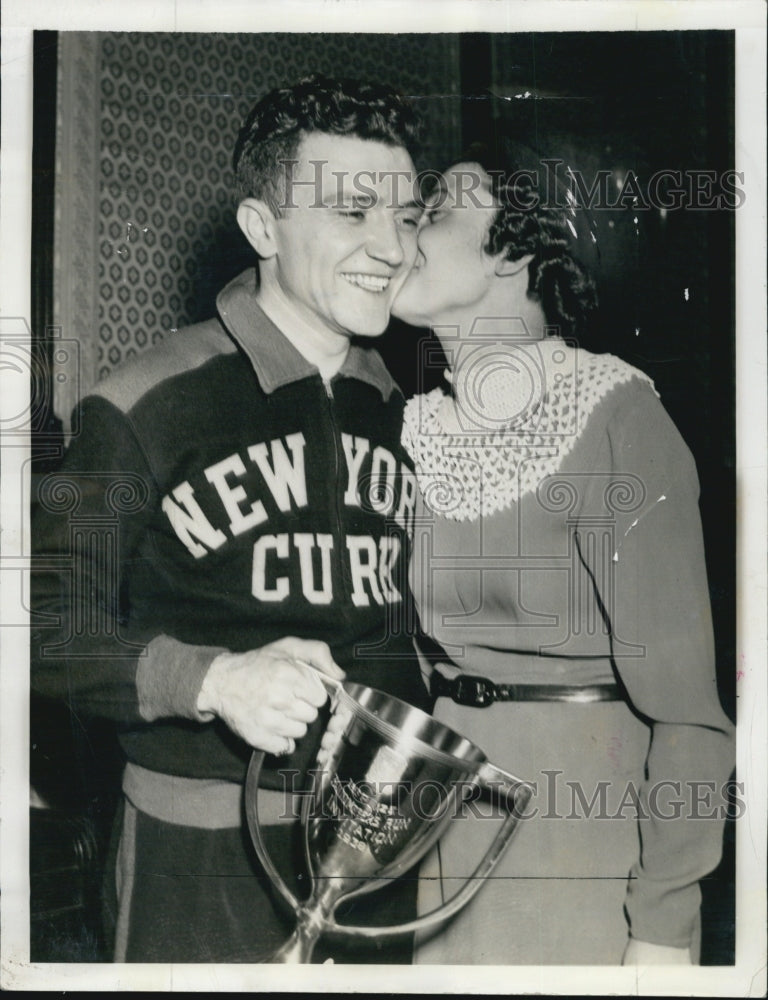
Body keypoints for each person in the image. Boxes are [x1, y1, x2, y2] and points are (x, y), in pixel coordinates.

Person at [30, 74, 430, 964]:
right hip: (198, 850)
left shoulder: (403, 410)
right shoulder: (140, 404)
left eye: (406, 218)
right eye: (353, 214)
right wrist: (212, 680)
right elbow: (40, 626)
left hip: (375, 838)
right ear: (261, 230)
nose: (391, 247)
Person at [393, 147, 736, 965]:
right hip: (446, 822)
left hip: (587, 832)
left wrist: (663, 924)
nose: (405, 230)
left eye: (434, 213)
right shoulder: (410, 425)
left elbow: (691, 714)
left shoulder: (619, 418)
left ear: (514, 254)